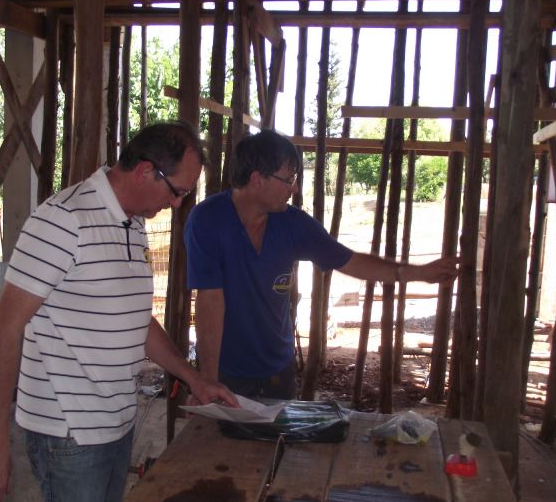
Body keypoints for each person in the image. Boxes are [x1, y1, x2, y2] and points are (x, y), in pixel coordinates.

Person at [0, 121, 238, 502]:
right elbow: (4, 328)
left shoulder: (132, 224)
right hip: (68, 432)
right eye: (178, 192)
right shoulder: (62, 220)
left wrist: (194, 377)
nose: (177, 204)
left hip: (116, 422)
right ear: (146, 171)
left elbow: (136, 319)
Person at [184, 129, 459, 401]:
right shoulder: (208, 219)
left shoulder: (293, 223)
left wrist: (419, 273)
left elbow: (350, 261)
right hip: (227, 373)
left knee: (278, 430)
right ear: (257, 179)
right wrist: (208, 380)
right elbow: (210, 300)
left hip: (279, 371)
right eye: (289, 179)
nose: (294, 188)